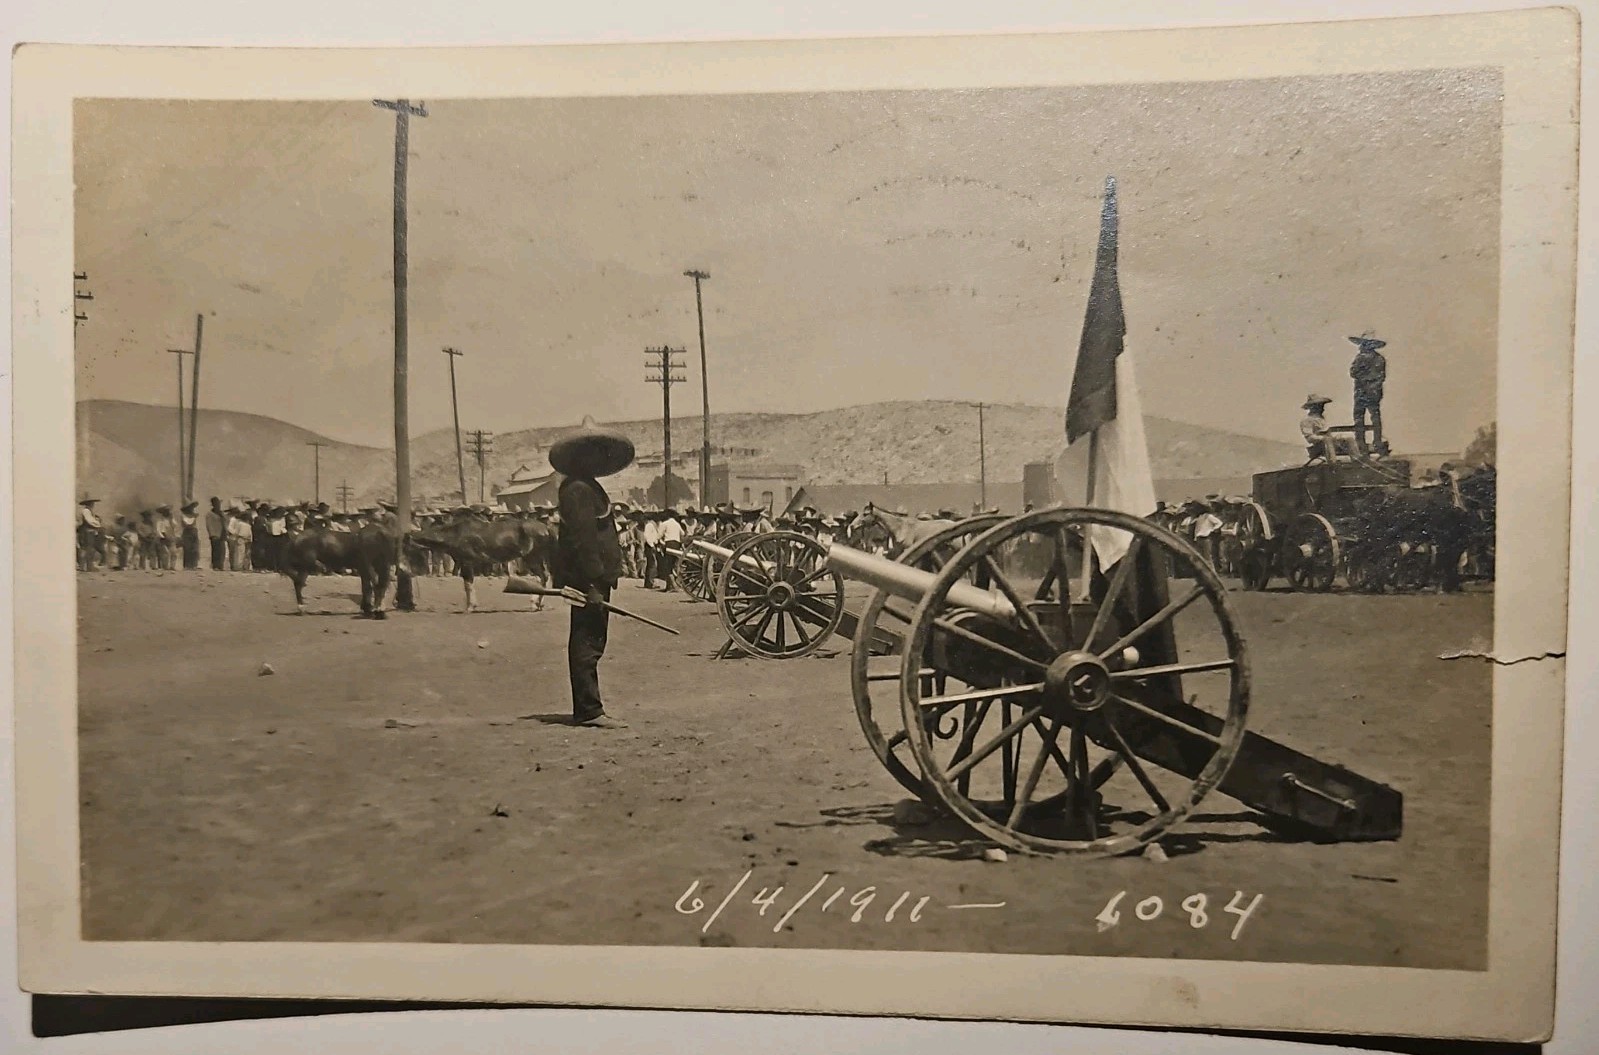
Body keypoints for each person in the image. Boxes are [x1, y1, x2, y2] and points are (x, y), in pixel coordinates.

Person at [548, 416, 634, 730]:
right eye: (592, 452)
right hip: (589, 581)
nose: (597, 459)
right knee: (587, 642)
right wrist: (592, 583)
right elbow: (583, 541)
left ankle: (589, 707)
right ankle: (588, 710)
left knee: (593, 641)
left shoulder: (587, 486)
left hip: (597, 579)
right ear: (579, 457)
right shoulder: (577, 490)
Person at [1348, 332, 1389, 455]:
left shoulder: (1361, 357)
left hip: (1362, 391)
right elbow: (1382, 376)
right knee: (1375, 417)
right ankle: (1377, 441)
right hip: (1375, 391)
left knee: (1359, 417)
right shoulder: (1380, 359)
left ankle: (1361, 443)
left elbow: (1353, 372)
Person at [1299, 394, 1359, 461]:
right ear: (1313, 407)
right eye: (1319, 406)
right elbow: (1309, 437)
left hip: (1329, 444)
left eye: (1322, 406)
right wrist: (1323, 438)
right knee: (1327, 440)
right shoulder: (1307, 420)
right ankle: (1333, 462)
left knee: (1348, 438)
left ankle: (1356, 460)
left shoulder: (1321, 419)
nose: (1322, 408)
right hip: (1318, 446)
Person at [657, 508, 684, 591]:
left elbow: (658, 536)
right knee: (673, 565)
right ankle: (669, 587)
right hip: (677, 544)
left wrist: (660, 543)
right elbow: (682, 534)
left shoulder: (664, 524)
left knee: (667, 567)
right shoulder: (677, 524)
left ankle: (674, 586)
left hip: (669, 544)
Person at [76, 498, 104, 571]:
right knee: (86, 549)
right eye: (92, 503)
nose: (93, 505)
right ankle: (85, 566)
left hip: (88, 532)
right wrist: (97, 524)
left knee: (88, 549)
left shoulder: (89, 511)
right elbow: (90, 521)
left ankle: (87, 566)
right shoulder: (86, 511)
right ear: (89, 504)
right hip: (86, 532)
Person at [205, 497, 227, 569]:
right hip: (215, 534)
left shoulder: (221, 513)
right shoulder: (210, 514)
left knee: (222, 550)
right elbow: (209, 525)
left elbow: (225, 523)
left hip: (222, 534)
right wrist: (212, 534)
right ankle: (215, 565)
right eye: (216, 503)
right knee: (215, 551)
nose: (218, 505)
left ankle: (221, 565)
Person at [180, 500, 202, 570]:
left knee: (194, 548)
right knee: (187, 548)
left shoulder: (194, 516)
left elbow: (195, 524)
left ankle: (194, 565)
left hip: (194, 532)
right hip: (187, 532)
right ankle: (187, 565)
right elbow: (185, 524)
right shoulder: (184, 516)